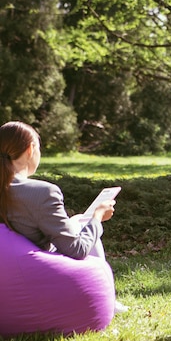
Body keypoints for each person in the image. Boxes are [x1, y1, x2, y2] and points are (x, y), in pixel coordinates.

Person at [0, 121, 127, 313]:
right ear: (30, 150)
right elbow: (76, 250)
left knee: (77, 221)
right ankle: (108, 299)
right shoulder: (43, 192)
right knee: (86, 225)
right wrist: (97, 217)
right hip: (35, 274)